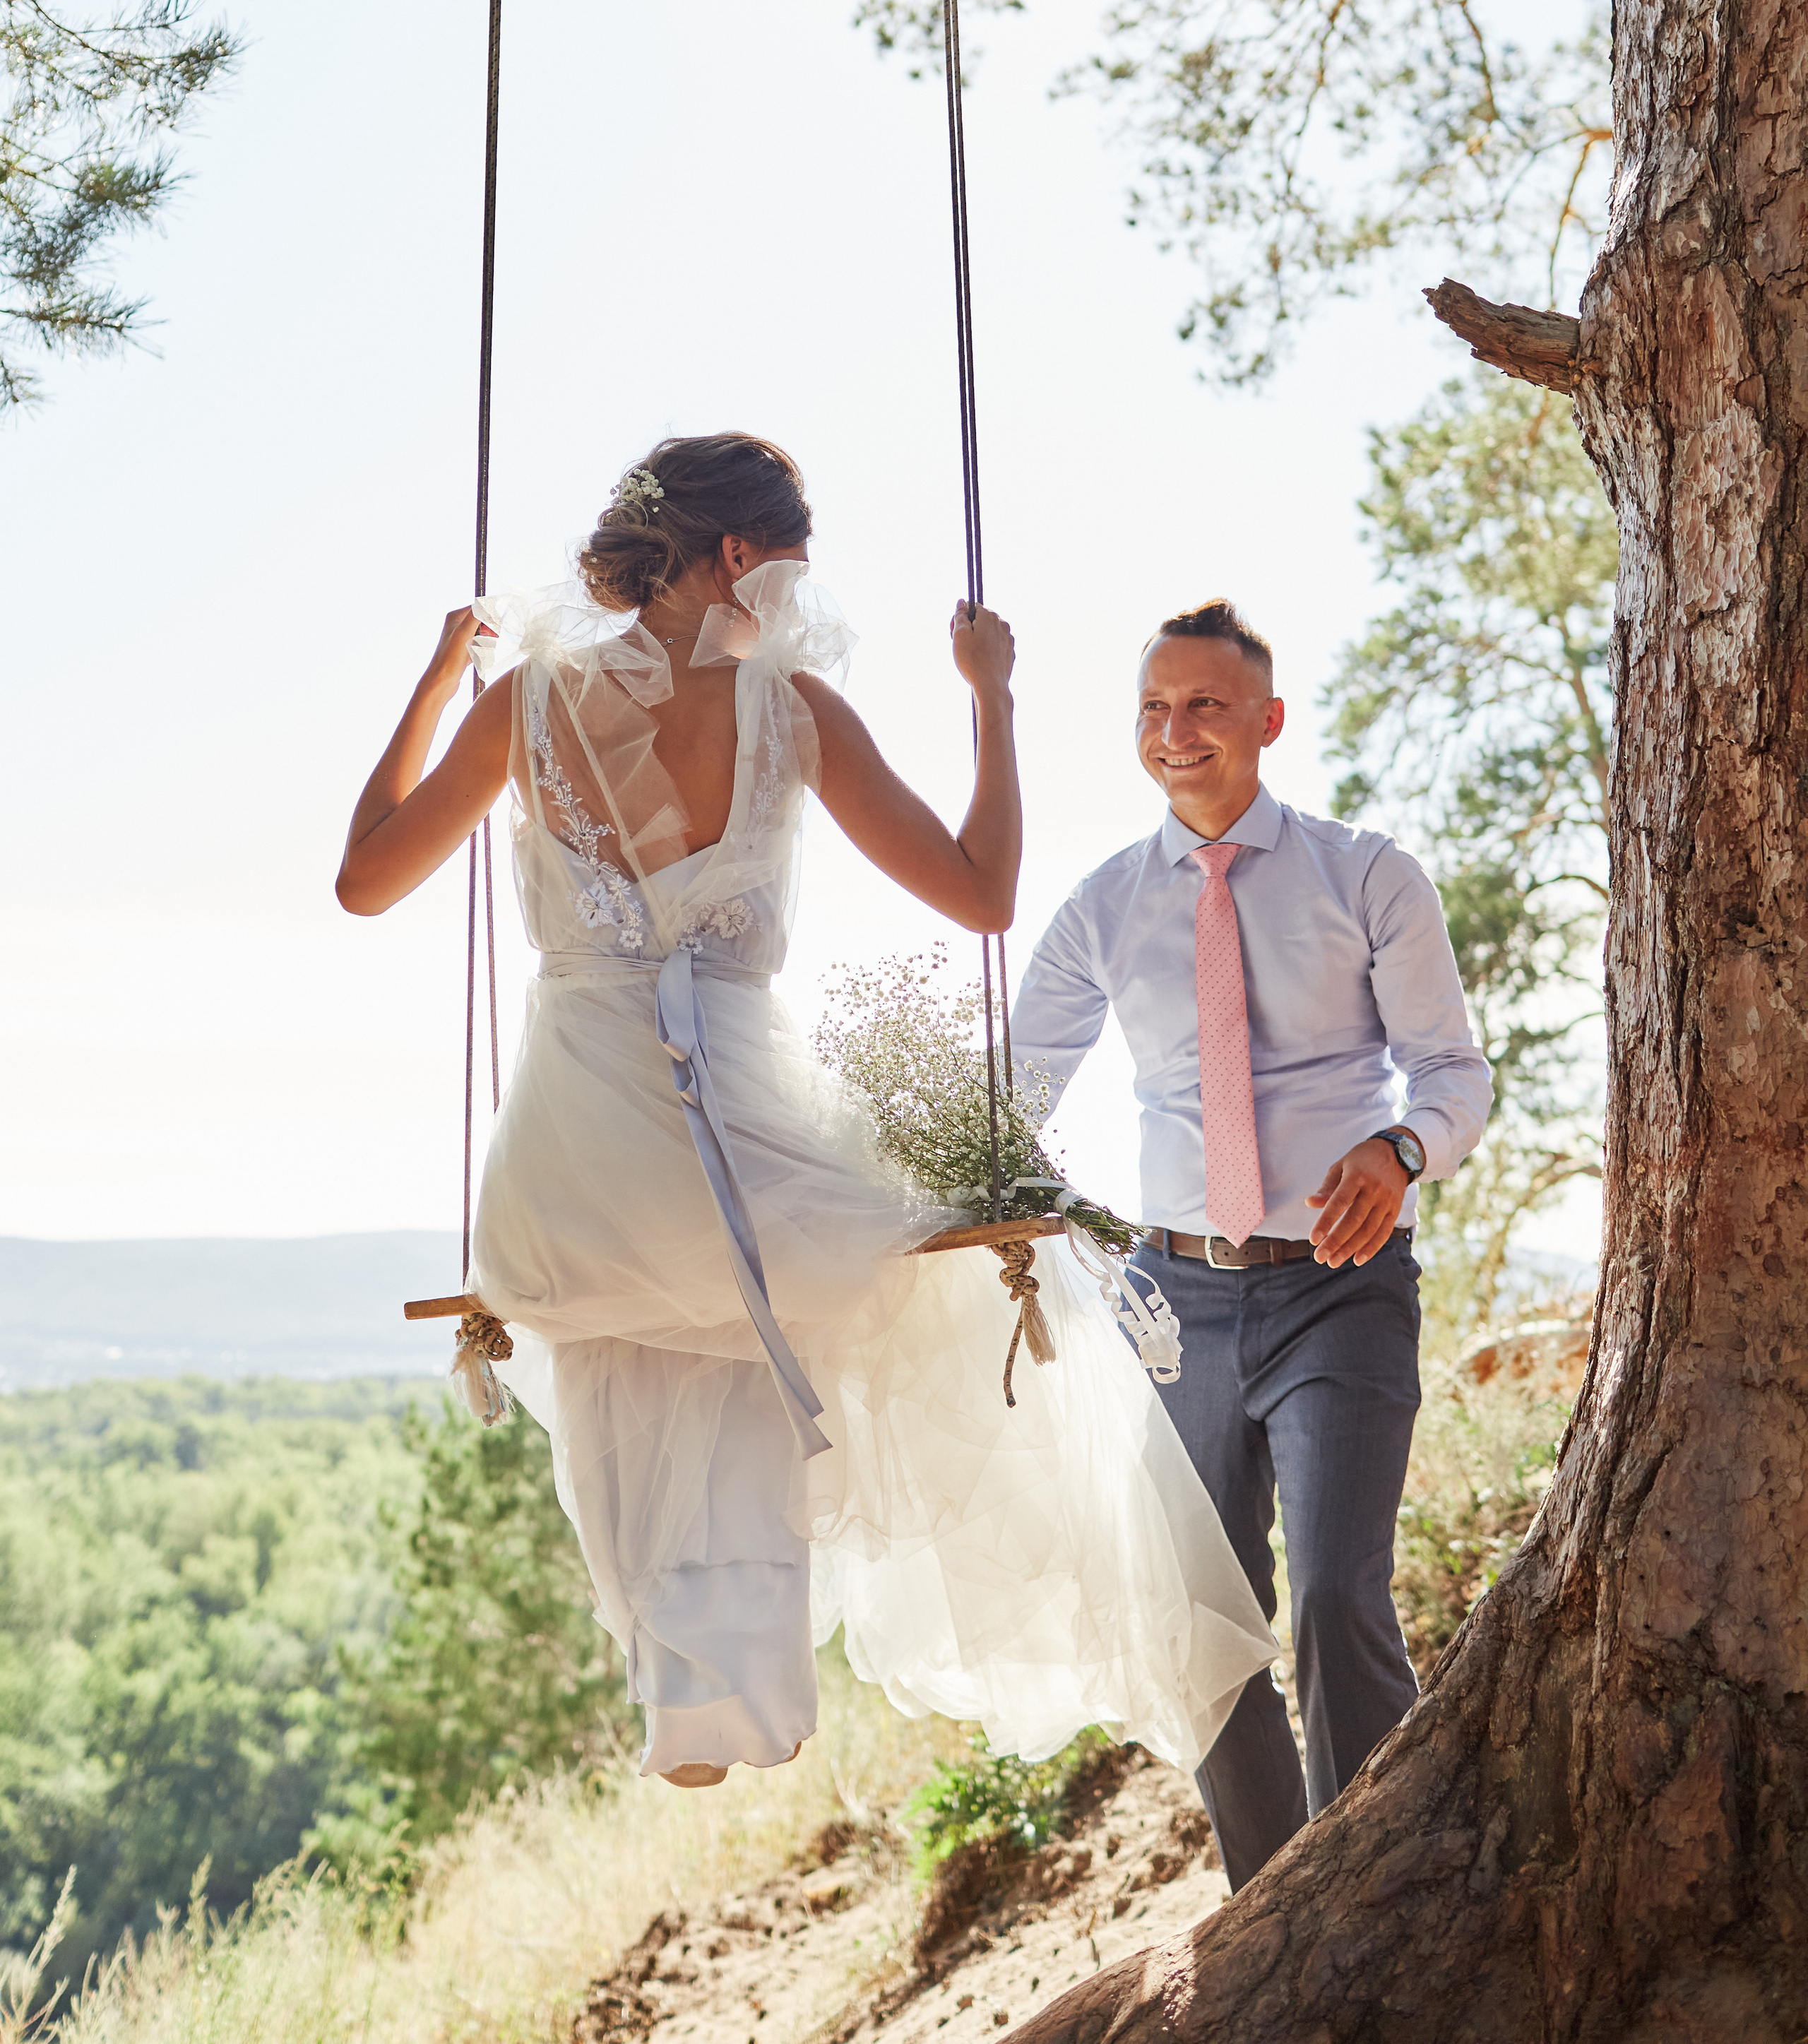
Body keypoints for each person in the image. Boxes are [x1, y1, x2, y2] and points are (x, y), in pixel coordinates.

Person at [337, 436, 1274, 1790]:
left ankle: (688, 1695)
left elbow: (366, 880)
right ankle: (753, 1683)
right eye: (789, 560)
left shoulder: (528, 703)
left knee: (626, 1374)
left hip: (580, 1135)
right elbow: (982, 889)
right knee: (794, 1349)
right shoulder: (796, 711)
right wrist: (991, 701)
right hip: (745, 1115)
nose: (793, 588)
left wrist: (438, 686)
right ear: (733, 555)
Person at [1009, 597, 1492, 1889]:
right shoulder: (1103, 906)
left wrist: (1400, 1155)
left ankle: (1377, 1887)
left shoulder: (1368, 873)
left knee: (1336, 1595)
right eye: (1155, 708)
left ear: (1267, 720)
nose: (1176, 732)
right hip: (1173, 1299)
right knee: (1204, 1623)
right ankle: (1277, 1904)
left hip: (1341, 1287)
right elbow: (1012, 1088)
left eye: (1205, 705)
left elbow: (1453, 1073)